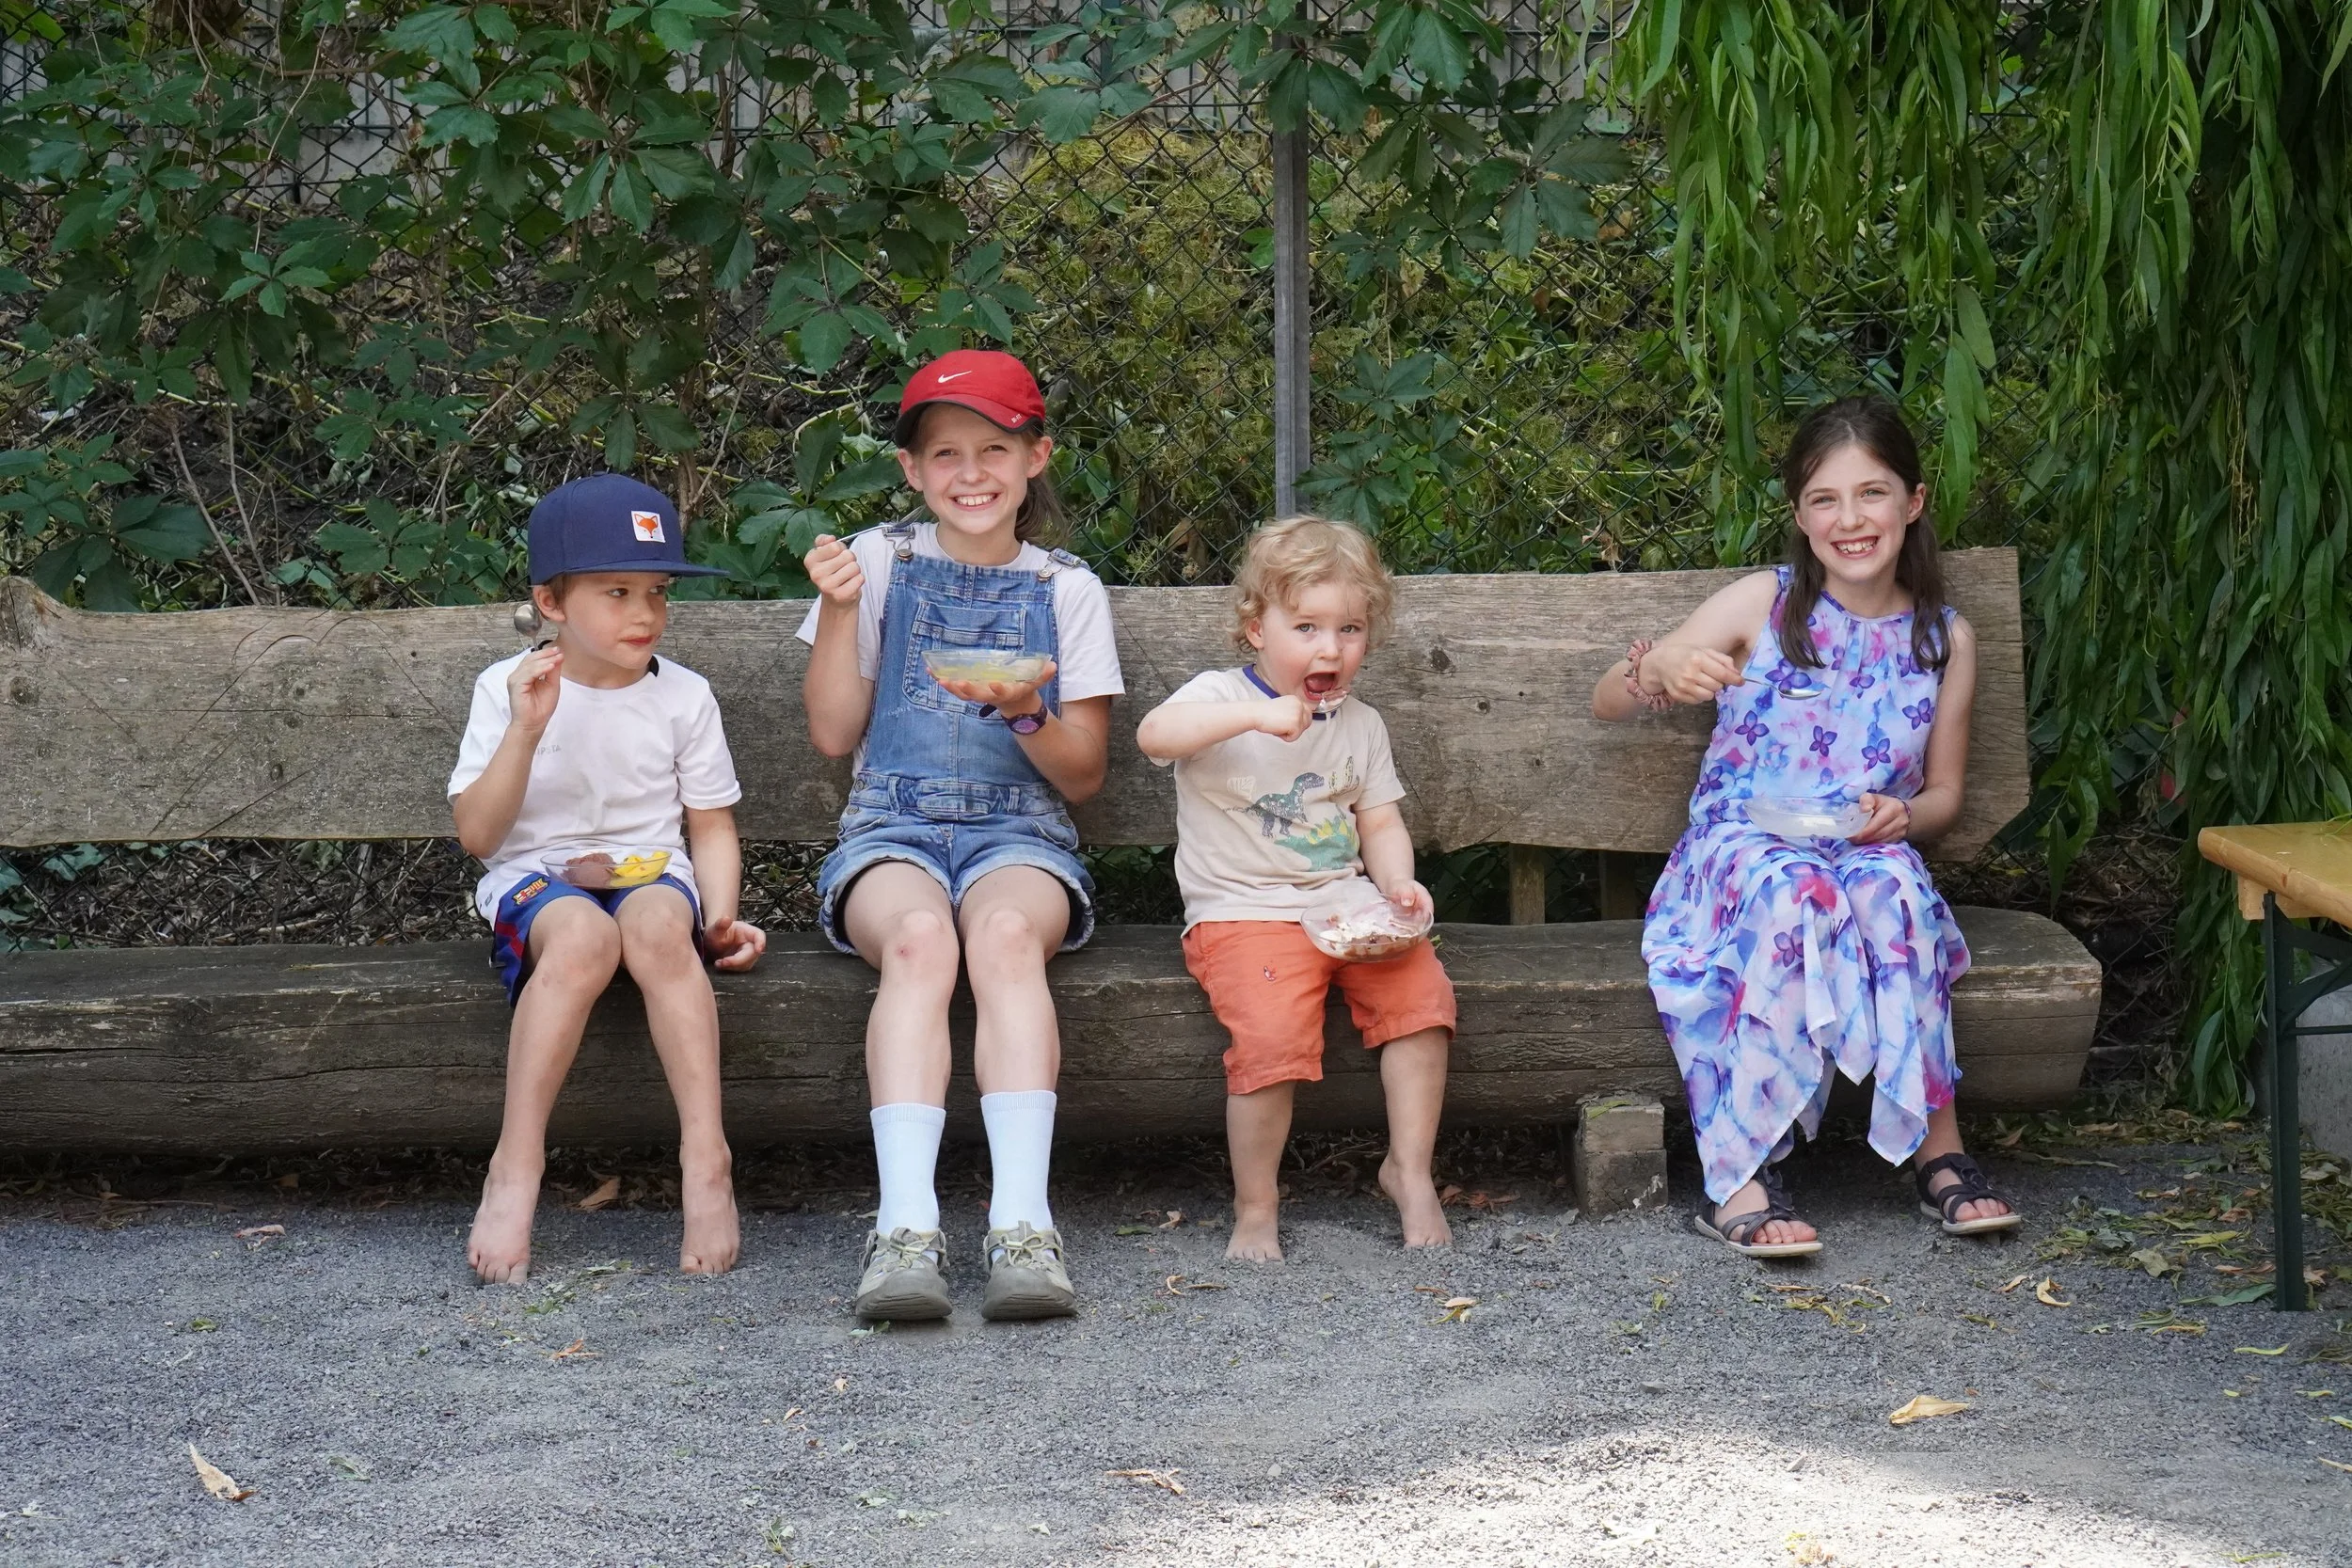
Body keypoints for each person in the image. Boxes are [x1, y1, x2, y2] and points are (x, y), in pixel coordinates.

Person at [1591, 397, 2020, 1255]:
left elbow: (1943, 797)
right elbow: (1607, 699)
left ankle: (1940, 1152)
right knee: (1796, 894)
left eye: (1873, 493)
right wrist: (1660, 666)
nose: (1851, 519)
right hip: (1739, 852)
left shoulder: (1943, 639)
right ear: (1799, 514)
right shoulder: (1765, 602)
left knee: (1899, 890)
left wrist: (1906, 816)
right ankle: (1739, 1172)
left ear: (1915, 502)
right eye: (1825, 498)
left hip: (1858, 848)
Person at [798, 349, 1121, 1322]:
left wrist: (1026, 707)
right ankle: (906, 1228)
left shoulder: (1066, 590)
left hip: (1016, 831)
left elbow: (1084, 773)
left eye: (994, 448)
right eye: (944, 453)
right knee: (918, 939)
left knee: (1006, 937)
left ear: (1035, 458)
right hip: (888, 822)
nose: (970, 472)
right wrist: (841, 611)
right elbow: (831, 733)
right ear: (911, 470)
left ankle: (1023, 1225)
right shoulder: (879, 562)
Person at [450, 474, 768, 1285]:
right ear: (551, 601)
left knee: (661, 925)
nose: (644, 613)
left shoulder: (684, 696)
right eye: (617, 590)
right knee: (585, 937)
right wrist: (526, 730)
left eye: (657, 592)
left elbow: (711, 824)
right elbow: (480, 835)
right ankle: (515, 1165)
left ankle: (708, 1157)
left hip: (650, 872)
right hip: (535, 878)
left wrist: (721, 917)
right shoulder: (507, 688)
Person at [1136, 515, 1455, 1262]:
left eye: (1349, 628)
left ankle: (1408, 1172)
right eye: (1306, 625)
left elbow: (1378, 820)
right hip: (1242, 913)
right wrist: (1254, 715)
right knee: (1274, 1037)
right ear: (1256, 628)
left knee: (1421, 999)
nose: (1328, 647)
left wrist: (1398, 883)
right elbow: (1155, 735)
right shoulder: (1219, 696)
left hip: (1344, 908)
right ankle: (1257, 1205)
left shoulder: (1362, 724)